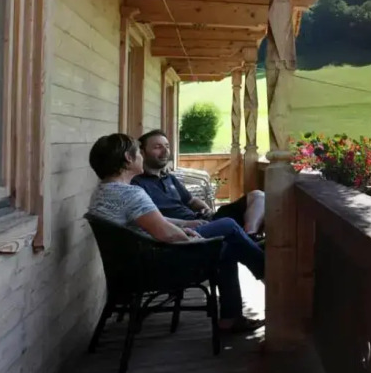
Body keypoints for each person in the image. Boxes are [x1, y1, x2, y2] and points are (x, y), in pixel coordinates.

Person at [87, 133, 265, 333]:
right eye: (138, 153)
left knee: (226, 247)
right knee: (228, 226)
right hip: (157, 266)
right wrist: (190, 237)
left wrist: (185, 225)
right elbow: (167, 234)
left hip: (137, 265)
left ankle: (230, 318)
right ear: (128, 158)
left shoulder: (104, 191)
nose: (141, 157)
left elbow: (154, 221)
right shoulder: (130, 193)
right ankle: (267, 271)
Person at [132, 130, 265, 238]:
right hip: (186, 229)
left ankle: (250, 235)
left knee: (258, 196)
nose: (165, 151)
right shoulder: (137, 184)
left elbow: (191, 201)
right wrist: (186, 223)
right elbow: (150, 219)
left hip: (202, 219)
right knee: (228, 223)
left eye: (167, 146)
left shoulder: (169, 178)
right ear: (142, 153)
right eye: (157, 147)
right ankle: (251, 243)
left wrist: (206, 209)